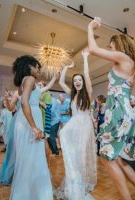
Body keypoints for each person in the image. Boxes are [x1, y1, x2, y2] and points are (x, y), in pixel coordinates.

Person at [88, 18, 135, 200]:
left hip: (116, 111)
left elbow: (92, 49)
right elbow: (127, 91)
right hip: (123, 110)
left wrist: (90, 27)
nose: (109, 49)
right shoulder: (130, 65)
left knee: (106, 156)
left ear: (119, 45)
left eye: (111, 46)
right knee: (117, 158)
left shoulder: (123, 57)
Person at [55, 49, 97, 199]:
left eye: (79, 80)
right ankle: (73, 180)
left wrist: (85, 58)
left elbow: (86, 75)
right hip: (73, 126)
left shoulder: (88, 93)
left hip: (84, 126)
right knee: (72, 154)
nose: (77, 82)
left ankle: (80, 182)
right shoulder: (72, 94)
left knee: (81, 155)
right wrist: (67, 68)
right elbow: (60, 81)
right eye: (75, 81)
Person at [9, 55, 53, 200]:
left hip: (23, 119)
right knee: (34, 157)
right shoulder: (30, 79)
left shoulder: (22, 82)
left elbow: (23, 102)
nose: (38, 70)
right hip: (30, 119)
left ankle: (26, 194)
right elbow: (24, 103)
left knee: (27, 158)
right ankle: (36, 194)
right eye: (37, 67)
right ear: (29, 66)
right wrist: (34, 127)